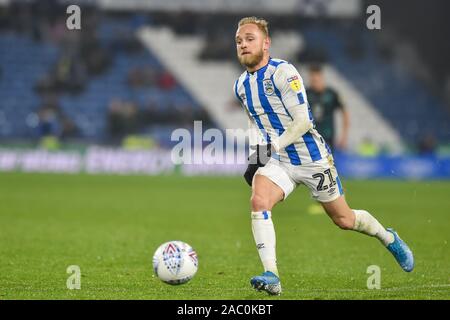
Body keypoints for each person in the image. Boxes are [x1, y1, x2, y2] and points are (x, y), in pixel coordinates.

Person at [233, 17, 414, 296]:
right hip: (280, 161)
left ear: (266, 43)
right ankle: (272, 275)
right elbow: (253, 122)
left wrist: (270, 148)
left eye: (249, 38)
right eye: (239, 41)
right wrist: (254, 154)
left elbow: (303, 121)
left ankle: (388, 237)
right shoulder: (241, 85)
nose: (243, 44)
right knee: (258, 200)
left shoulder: (284, 73)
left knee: (343, 219)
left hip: (312, 158)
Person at [306, 64, 349, 151]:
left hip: (327, 136)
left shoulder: (331, 94)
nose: (314, 82)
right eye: (312, 80)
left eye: (316, 79)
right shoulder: (306, 93)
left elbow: (344, 112)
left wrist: (344, 136)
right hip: (310, 137)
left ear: (321, 78)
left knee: (328, 163)